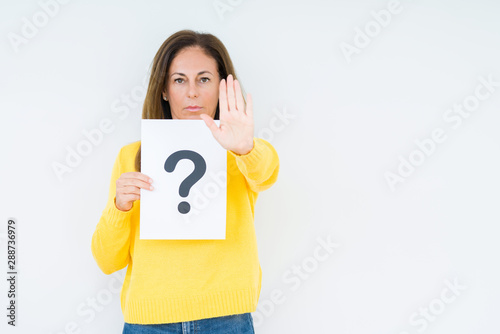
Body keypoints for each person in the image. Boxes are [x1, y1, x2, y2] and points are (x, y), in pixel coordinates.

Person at [91, 29, 280, 333]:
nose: (192, 92)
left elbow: (267, 174)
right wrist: (120, 207)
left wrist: (245, 147)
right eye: (179, 80)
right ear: (164, 89)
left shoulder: (242, 151)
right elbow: (106, 261)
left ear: (221, 87)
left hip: (226, 319)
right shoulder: (131, 156)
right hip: (149, 322)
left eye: (203, 79)